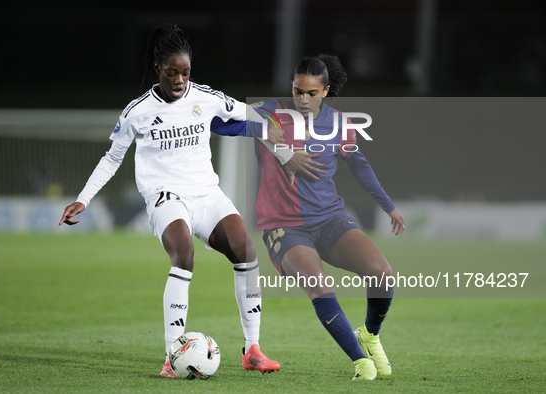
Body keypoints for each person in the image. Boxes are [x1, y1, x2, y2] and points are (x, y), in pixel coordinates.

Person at [58, 23, 279, 378]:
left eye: (186, 72)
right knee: (184, 255)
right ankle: (172, 355)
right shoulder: (137, 111)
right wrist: (83, 199)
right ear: (158, 68)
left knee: (246, 251)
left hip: (206, 192)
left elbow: (242, 112)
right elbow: (112, 157)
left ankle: (252, 349)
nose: (180, 80)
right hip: (165, 196)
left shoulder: (204, 97)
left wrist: (273, 127)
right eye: (173, 72)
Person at [211, 54, 406, 380]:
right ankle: (361, 361)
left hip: (330, 220)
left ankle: (369, 335)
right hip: (284, 226)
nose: (303, 99)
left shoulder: (340, 122)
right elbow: (218, 123)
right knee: (319, 286)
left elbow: (359, 165)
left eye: (312, 93)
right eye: (298, 90)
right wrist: (259, 129)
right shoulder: (270, 110)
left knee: (382, 275)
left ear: (326, 90)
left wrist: (388, 206)